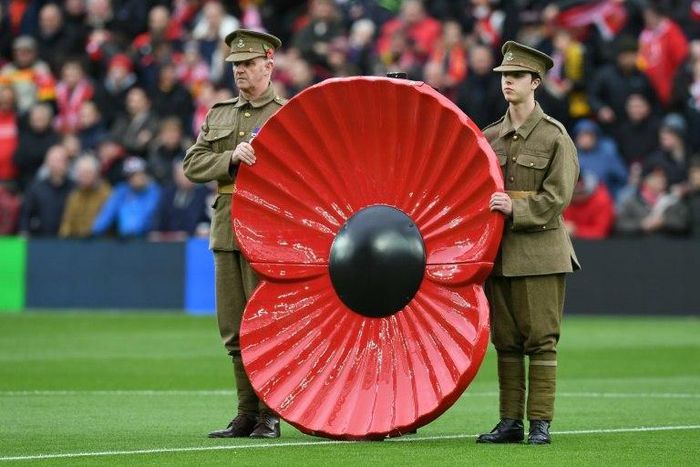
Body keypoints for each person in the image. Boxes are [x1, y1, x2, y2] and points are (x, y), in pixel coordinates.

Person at [184, 29, 287, 439]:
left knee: (267, 325)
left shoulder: (287, 113)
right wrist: (230, 158)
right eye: (235, 66)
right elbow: (192, 165)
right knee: (234, 326)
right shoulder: (220, 113)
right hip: (227, 226)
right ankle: (246, 414)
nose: (240, 72)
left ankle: (270, 415)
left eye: (247, 64)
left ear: (268, 64)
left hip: (269, 227)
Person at [479, 41, 580, 445]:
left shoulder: (555, 136)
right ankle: (509, 422)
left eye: (516, 76)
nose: (508, 83)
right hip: (501, 255)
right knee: (505, 342)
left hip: (540, 252)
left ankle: (539, 422)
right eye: (504, 76)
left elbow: (558, 197)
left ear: (535, 82)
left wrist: (513, 209)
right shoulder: (490, 137)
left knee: (541, 341)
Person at [91, 156, 160, 238]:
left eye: (139, 173)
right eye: (131, 175)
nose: (136, 178)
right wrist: (95, 231)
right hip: (124, 240)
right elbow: (107, 213)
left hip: (145, 240)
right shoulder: (121, 191)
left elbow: (150, 217)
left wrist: (135, 232)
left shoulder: (154, 192)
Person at [19, 144, 74, 236]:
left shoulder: (75, 188)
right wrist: (24, 232)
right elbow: (25, 214)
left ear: (67, 163)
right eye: (53, 160)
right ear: (46, 163)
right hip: (41, 240)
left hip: (70, 241)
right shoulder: (36, 188)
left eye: (60, 161)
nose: (56, 165)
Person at [59, 155, 111, 238]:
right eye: (81, 174)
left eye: (88, 173)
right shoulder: (74, 196)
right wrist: (63, 240)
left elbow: (108, 223)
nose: (84, 177)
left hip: (100, 242)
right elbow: (67, 223)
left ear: (96, 174)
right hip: (77, 243)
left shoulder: (106, 194)